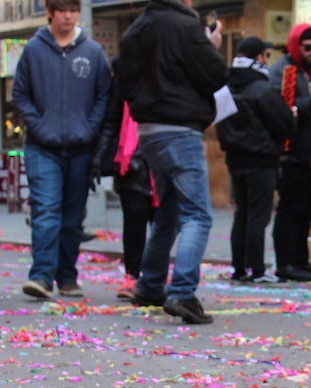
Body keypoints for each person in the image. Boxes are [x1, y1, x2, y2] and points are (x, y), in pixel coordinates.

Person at [117, 0, 227, 324]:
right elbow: (215, 74)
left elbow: (122, 83)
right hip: (180, 128)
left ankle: (150, 285)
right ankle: (182, 292)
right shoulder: (184, 26)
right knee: (198, 215)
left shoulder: (135, 29)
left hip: (149, 130)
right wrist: (213, 46)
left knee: (168, 210)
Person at [13, 0, 110, 300]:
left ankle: (67, 276)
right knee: (46, 211)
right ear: (51, 13)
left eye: (73, 10)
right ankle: (41, 275)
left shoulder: (93, 52)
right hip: (43, 148)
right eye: (62, 10)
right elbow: (20, 94)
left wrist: (89, 129)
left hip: (81, 148)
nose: (68, 16)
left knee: (72, 217)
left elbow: (103, 96)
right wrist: (39, 126)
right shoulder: (33, 49)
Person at [217, 36, 296, 284]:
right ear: (259, 57)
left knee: (242, 213)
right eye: (265, 55)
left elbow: (219, 124)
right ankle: (258, 270)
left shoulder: (226, 88)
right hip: (261, 159)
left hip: (235, 159)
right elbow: (285, 124)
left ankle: (240, 268)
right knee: (258, 217)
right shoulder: (262, 89)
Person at [268, 23, 311, 282]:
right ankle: (287, 263)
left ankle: (300, 261)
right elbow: (275, 103)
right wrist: (307, 105)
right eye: (307, 47)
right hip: (294, 154)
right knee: (291, 210)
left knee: (308, 211)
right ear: (296, 46)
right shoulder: (283, 70)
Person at [90, 57, 154, 300]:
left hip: (161, 163)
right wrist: (98, 159)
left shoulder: (170, 79)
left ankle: (153, 277)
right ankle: (133, 275)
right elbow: (110, 123)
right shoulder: (123, 84)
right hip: (132, 163)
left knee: (163, 224)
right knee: (135, 223)